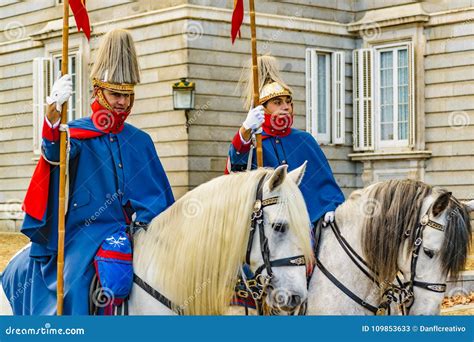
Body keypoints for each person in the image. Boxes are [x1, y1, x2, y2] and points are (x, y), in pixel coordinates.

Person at [1, 29, 174, 315]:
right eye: (115, 94)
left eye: (127, 95)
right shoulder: (76, 134)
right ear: (97, 92)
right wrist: (52, 114)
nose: (122, 102)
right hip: (87, 232)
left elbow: (160, 199)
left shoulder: (141, 140)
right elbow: (53, 155)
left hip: (141, 232)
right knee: (74, 284)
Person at [225, 55, 344, 226]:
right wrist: (246, 129)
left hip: (311, 222)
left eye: (288, 102)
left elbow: (324, 183)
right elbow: (235, 169)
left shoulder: (304, 139)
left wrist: (331, 205)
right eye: (277, 102)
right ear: (262, 109)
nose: (286, 106)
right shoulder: (254, 142)